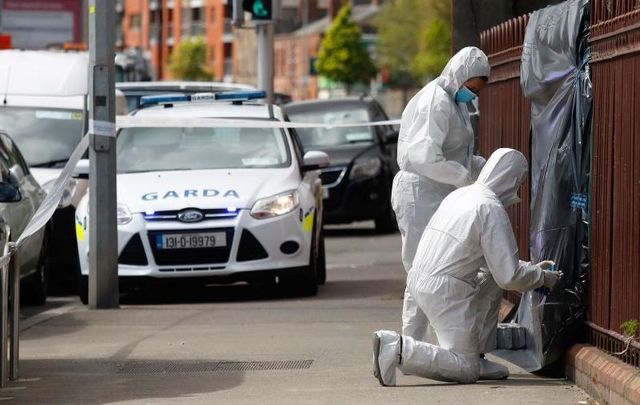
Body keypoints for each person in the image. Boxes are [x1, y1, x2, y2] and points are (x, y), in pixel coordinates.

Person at [374, 148, 562, 385]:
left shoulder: (462, 195)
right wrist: (543, 278)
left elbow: (493, 261)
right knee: (465, 368)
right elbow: (509, 277)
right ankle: (396, 348)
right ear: (511, 179)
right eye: (519, 182)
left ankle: (477, 351)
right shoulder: (490, 207)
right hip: (445, 291)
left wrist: (533, 269)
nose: (517, 191)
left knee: (490, 278)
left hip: (421, 281)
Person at [392, 46, 491, 342]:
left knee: (435, 267)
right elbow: (423, 156)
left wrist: (482, 168)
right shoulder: (436, 102)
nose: (472, 95)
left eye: (477, 91)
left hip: (438, 192)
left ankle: (428, 345)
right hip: (420, 193)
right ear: (458, 76)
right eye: (471, 88)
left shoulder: (454, 101)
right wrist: (465, 178)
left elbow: (457, 151)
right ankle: (410, 344)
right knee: (421, 271)